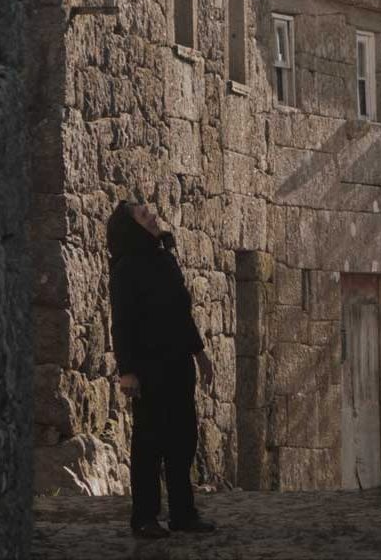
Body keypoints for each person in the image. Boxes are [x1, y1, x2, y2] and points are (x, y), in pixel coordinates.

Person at [107, 197, 217, 540]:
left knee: (183, 439)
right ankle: (145, 517)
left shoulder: (164, 259)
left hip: (178, 365)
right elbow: (121, 324)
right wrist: (127, 371)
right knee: (150, 443)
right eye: (143, 215)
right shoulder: (126, 269)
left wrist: (199, 353)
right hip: (148, 368)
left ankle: (183, 513)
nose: (152, 217)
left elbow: (182, 312)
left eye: (149, 212)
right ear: (131, 226)